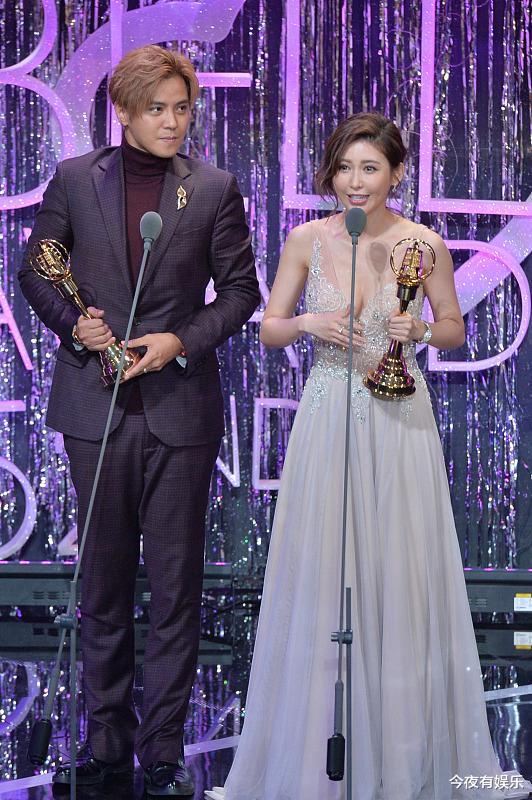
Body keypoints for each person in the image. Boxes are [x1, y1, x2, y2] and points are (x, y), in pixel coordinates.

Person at [206, 113, 532, 800]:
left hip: (399, 417)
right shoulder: (307, 239)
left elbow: (453, 327)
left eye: (371, 169)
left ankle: (405, 758)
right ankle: (319, 758)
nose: (355, 182)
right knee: (327, 568)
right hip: (329, 413)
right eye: (345, 169)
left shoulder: (424, 243)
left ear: (397, 173)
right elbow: (269, 328)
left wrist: (423, 330)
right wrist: (306, 322)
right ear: (330, 174)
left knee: (399, 569)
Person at [19, 44, 259, 797]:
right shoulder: (73, 179)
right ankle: (105, 743)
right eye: (157, 108)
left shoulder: (213, 189)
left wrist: (178, 341)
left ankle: (161, 751)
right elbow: (36, 269)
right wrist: (75, 326)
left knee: (177, 587)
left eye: (182, 108)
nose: (172, 121)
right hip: (95, 406)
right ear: (122, 111)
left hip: (179, 407)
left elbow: (241, 293)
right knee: (104, 584)